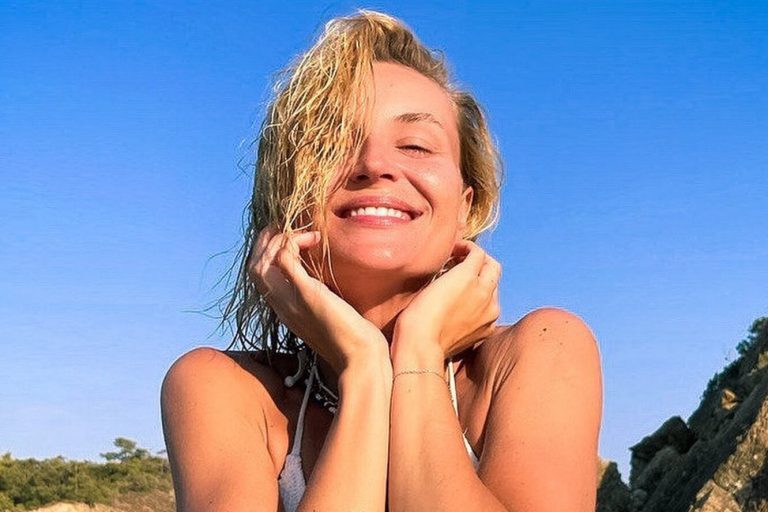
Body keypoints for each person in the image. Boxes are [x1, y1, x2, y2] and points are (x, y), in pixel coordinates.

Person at [160, 9, 603, 512]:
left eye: (415, 145)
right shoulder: (222, 387)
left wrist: (418, 353)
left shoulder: (540, 350)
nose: (374, 165)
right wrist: (365, 369)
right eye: (333, 144)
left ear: (466, 207)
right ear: (286, 199)